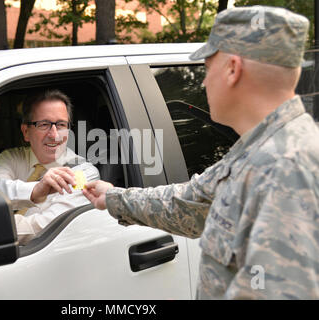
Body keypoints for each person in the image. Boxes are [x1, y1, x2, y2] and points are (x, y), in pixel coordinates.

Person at [83, 6, 319, 299]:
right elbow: (190, 202)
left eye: (207, 69)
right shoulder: (258, 151)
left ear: (233, 69)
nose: (204, 82)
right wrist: (113, 197)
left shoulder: (286, 167)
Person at [0, 89, 99, 245]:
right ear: (26, 132)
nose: (54, 134)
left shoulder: (82, 173)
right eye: (44, 124)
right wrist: (34, 190)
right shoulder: (12, 157)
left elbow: (47, 227)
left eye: (61, 125)